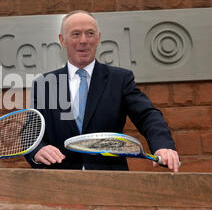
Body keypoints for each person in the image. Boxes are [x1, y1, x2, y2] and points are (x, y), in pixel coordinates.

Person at [25, 10, 180, 172]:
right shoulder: (44, 84)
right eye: (76, 34)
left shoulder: (120, 79)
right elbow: (30, 132)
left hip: (110, 183)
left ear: (98, 38)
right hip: (60, 183)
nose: (83, 40)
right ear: (62, 40)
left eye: (90, 33)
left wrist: (163, 146)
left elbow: (148, 115)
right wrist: (38, 150)